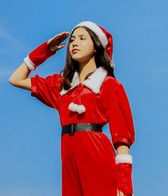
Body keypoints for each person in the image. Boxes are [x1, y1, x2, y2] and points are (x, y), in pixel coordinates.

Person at [8, 20, 135, 196]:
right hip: (68, 156)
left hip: (96, 153)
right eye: (72, 39)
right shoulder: (61, 86)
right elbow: (16, 79)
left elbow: (122, 136)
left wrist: (125, 183)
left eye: (82, 38)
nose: (74, 42)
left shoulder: (109, 85)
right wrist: (45, 51)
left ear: (97, 46)